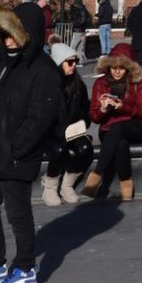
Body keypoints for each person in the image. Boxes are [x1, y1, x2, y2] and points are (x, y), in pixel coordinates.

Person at [0, 3, 61, 283]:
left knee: (18, 213)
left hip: (17, 155)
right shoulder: (3, 63)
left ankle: (25, 268)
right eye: (4, 35)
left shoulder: (43, 70)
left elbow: (41, 116)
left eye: (12, 35)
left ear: (26, 33)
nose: (8, 41)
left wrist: (18, 147)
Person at [83, 43, 142, 200]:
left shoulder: (139, 82)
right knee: (119, 142)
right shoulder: (100, 84)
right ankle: (126, 184)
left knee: (118, 128)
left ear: (128, 67)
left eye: (121, 67)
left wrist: (122, 106)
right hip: (108, 128)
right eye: (113, 67)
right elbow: (94, 117)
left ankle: (96, 174)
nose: (117, 71)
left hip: (135, 126)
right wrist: (102, 109)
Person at [41, 42, 91, 206]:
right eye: (69, 62)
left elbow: (85, 111)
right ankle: (49, 187)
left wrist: (83, 123)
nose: (74, 65)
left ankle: (67, 186)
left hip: (71, 131)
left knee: (85, 148)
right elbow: (41, 116)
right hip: (49, 133)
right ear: (59, 63)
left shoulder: (78, 85)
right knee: (60, 150)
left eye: (75, 61)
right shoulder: (48, 86)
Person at [69, 0, 90, 64]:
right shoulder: (84, 9)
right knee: (80, 47)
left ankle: (71, 61)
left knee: (73, 46)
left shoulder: (77, 10)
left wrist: (75, 24)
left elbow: (77, 19)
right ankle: (80, 62)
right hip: (82, 30)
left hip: (77, 30)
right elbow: (86, 19)